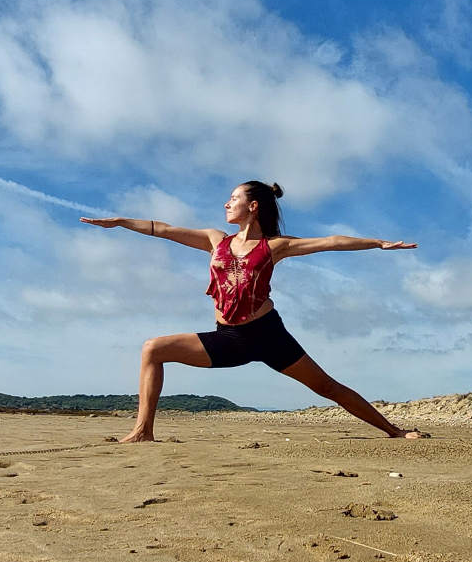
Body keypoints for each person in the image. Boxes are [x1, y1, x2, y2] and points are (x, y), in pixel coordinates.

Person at [80, 181, 427, 442]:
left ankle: (393, 431)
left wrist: (378, 243)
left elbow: (332, 241)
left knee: (327, 387)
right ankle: (143, 431)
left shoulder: (275, 246)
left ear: (254, 206)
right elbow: (165, 230)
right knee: (153, 349)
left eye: (234, 199)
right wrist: (123, 222)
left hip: (267, 336)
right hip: (227, 338)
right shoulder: (216, 240)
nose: (226, 203)